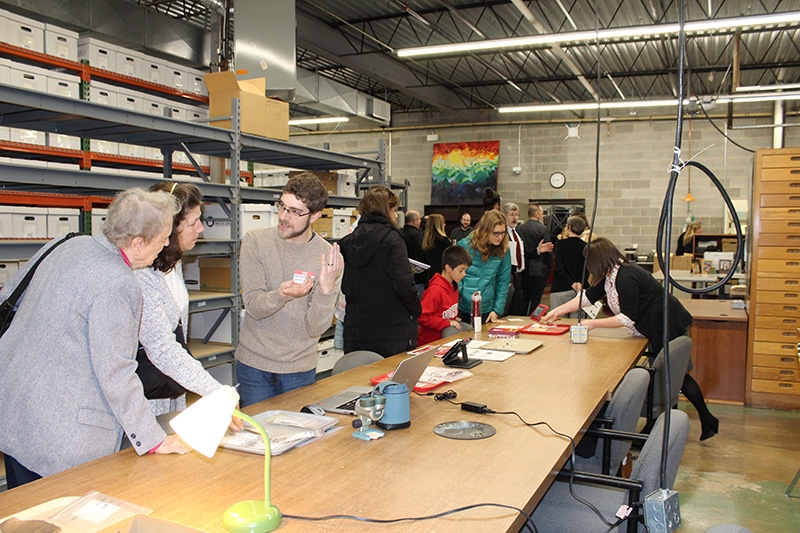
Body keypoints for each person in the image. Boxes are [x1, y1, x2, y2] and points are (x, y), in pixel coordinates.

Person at [0, 188, 190, 489]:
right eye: (163, 236)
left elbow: (11, 296)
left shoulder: (70, 244)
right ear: (138, 242)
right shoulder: (118, 282)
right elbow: (116, 372)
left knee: (23, 514)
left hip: (14, 412)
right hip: (59, 436)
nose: (167, 243)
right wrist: (152, 440)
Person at [542, 238, 719, 441]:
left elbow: (628, 317)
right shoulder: (610, 276)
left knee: (671, 376)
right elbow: (588, 297)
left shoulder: (626, 277)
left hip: (669, 324)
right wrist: (557, 311)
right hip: (656, 326)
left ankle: (686, 422)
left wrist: (594, 324)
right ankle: (701, 420)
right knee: (670, 377)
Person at [236, 173, 343, 407]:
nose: (284, 217)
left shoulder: (328, 258)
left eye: (295, 212)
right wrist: (282, 295)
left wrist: (325, 291)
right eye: (282, 207)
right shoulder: (255, 242)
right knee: (256, 439)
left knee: (299, 441)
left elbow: (315, 328)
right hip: (254, 367)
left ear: (315, 215)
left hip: (299, 370)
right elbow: (253, 307)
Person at [135, 182, 224, 418]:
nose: (202, 228)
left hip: (170, 388)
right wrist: (214, 391)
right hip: (146, 400)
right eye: (194, 222)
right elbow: (162, 348)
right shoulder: (140, 274)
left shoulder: (173, 263)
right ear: (171, 228)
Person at [340, 185, 421, 357]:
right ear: (387, 210)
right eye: (394, 210)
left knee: (359, 378)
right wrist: (415, 309)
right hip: (392, 327)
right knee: (391, 380)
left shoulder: (346, 242)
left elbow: (345, 286)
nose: (396, 215)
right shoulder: (393, 239)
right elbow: (404, 284)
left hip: (357, 327)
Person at [457, 210, 512, 325]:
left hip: (487, 309)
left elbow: (503, 282)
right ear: (485, 231)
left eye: (503, 233)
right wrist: (460, 295)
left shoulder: (504, 251)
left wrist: (497, 310)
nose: (500, 237)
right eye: (496, 233)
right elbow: (454, 277)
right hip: (462, 308)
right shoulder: (465, 245)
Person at [418, 245, 472, 345]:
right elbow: (422, 317)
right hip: (430, 342)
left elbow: (445, 311)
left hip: (445, 341)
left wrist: (453, 318)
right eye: (461, 270)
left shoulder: (454, 286)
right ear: (448, 268)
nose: (464, 274)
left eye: (465, 271)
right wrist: (446, 323)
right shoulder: (434, 291)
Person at [516, 204, 554, 314]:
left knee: (524, 298)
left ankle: (521, 319)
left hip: (524, 267)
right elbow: (548, 249)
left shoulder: (519, 229)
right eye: (541, 213)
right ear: (537, 214)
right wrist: (550, 267)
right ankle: (533, 321)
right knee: (536, 299)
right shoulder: (543, 229)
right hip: (539, 268)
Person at [549, 215, 588, 317]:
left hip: (561, 288)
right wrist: (579, 283)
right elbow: (587, 269)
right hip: (579, 290)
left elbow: (558, 267)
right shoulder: (586, 246)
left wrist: (571, 283)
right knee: (577, 324)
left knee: (558, 321)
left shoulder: (560, 244)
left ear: (570, 228)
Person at [502, 202, 526, 316]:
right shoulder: (503, 233)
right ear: (504, 216)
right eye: (512, 214)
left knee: (517, 308)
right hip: (508, 275)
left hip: (519, 275)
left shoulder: (518, 232)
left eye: (517, 215)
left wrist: (537, 250)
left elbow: (521, 253)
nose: (515, 218)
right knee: (508, 308)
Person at [421, 213, 452, 285]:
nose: (445, 225)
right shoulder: (444, 241)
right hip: (442, 276)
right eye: (443, 223)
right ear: (439, 225)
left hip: (430, 276)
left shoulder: (426, 241)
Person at [402, 209, 427, 297]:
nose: (420, 221)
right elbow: (422, 255)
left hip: (402, 275)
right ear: (414, 221)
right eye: (419, 219)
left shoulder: (398, 233)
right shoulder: (418, 236)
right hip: (417, 278)